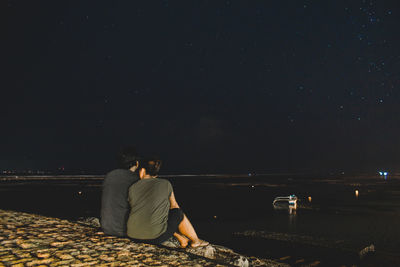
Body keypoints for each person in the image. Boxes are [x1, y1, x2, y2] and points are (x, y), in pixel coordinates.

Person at [127, 158, 209, 248]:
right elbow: (174, 206)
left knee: (154, 215)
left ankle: (182, 238)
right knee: (177, 212)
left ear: (142, 171)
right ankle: (196, 241)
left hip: (132, 235)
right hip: (155, 238)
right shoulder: (165, 183)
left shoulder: (133, 187)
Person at [100, 146, 140, 237]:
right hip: (124, 230)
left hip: (107, 227)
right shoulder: (135, 179)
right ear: (137, 163)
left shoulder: (110, 175)